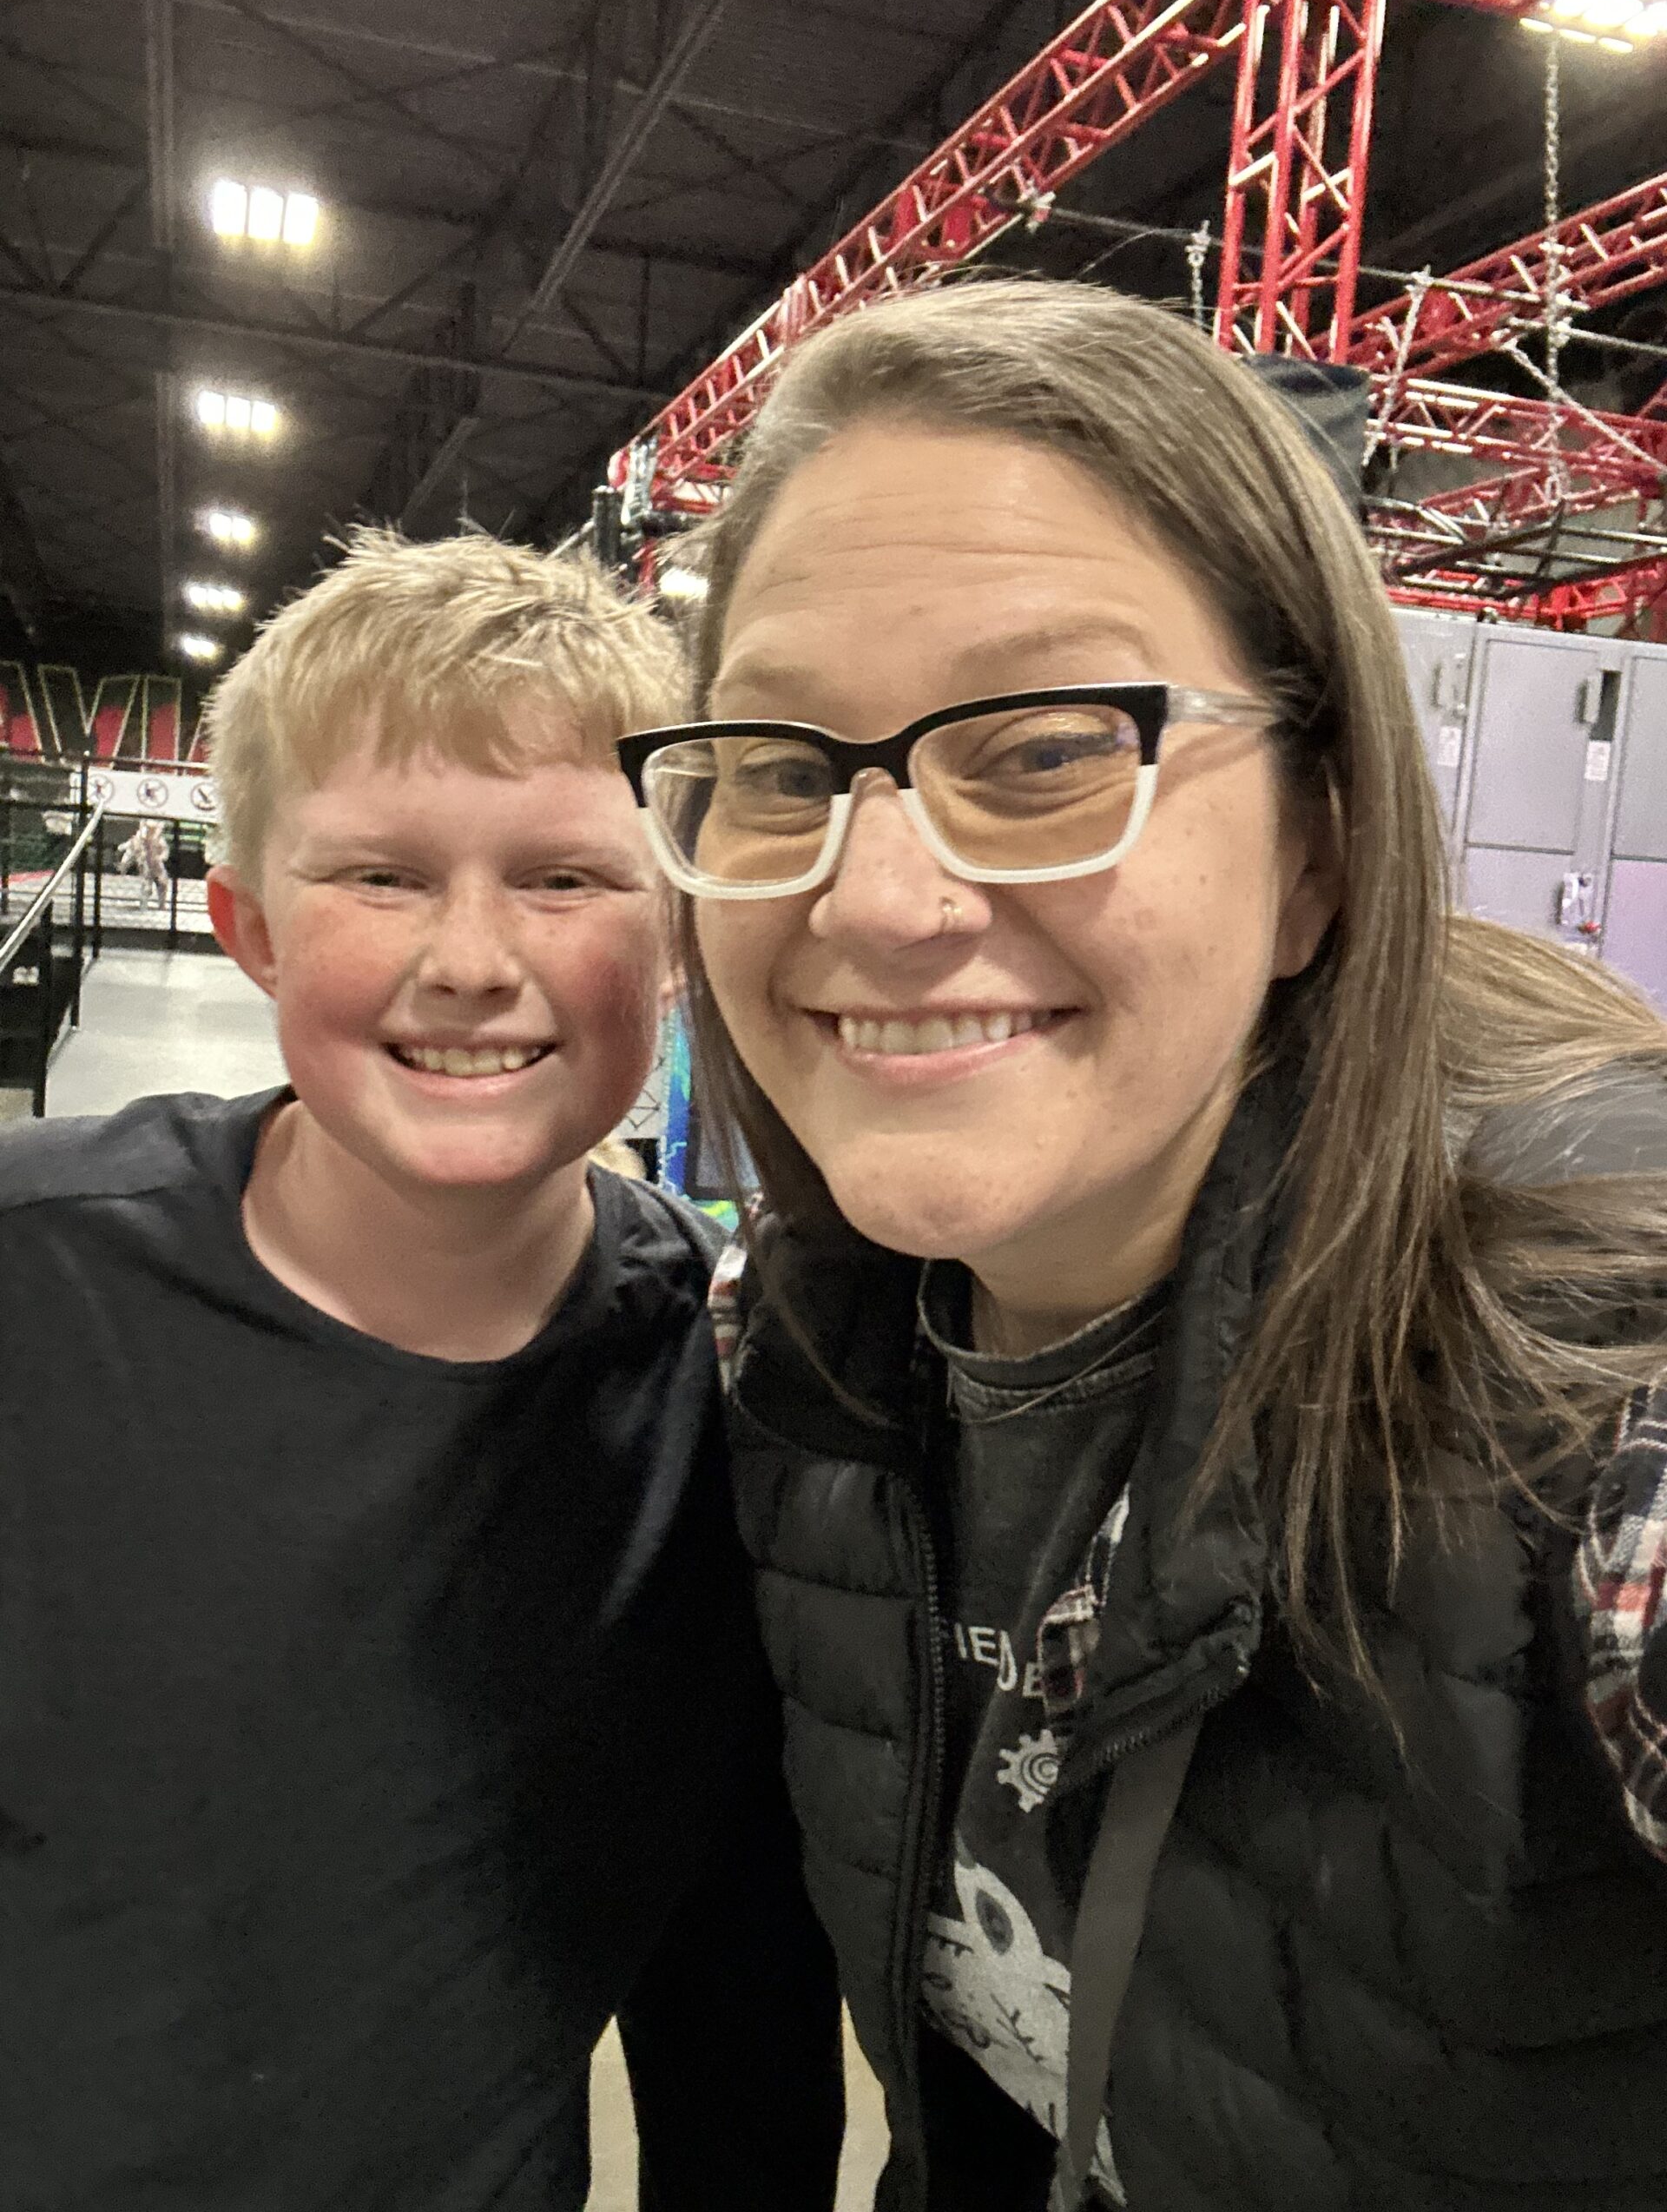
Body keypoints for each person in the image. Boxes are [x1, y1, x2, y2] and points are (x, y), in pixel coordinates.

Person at [616, 281, 1667, 2212]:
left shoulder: (1600, 1378)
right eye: (781, 767)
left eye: (1042, 752)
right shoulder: (800, 1346)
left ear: (1319, 847)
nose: (883, 898)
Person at [0, 530, 841, 2210]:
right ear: (250, 927)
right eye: (380, 876)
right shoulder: (37, 1287)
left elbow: (737, 1983)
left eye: (565, 878)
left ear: (678, 939)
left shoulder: (735, 1387)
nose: (470, 958)